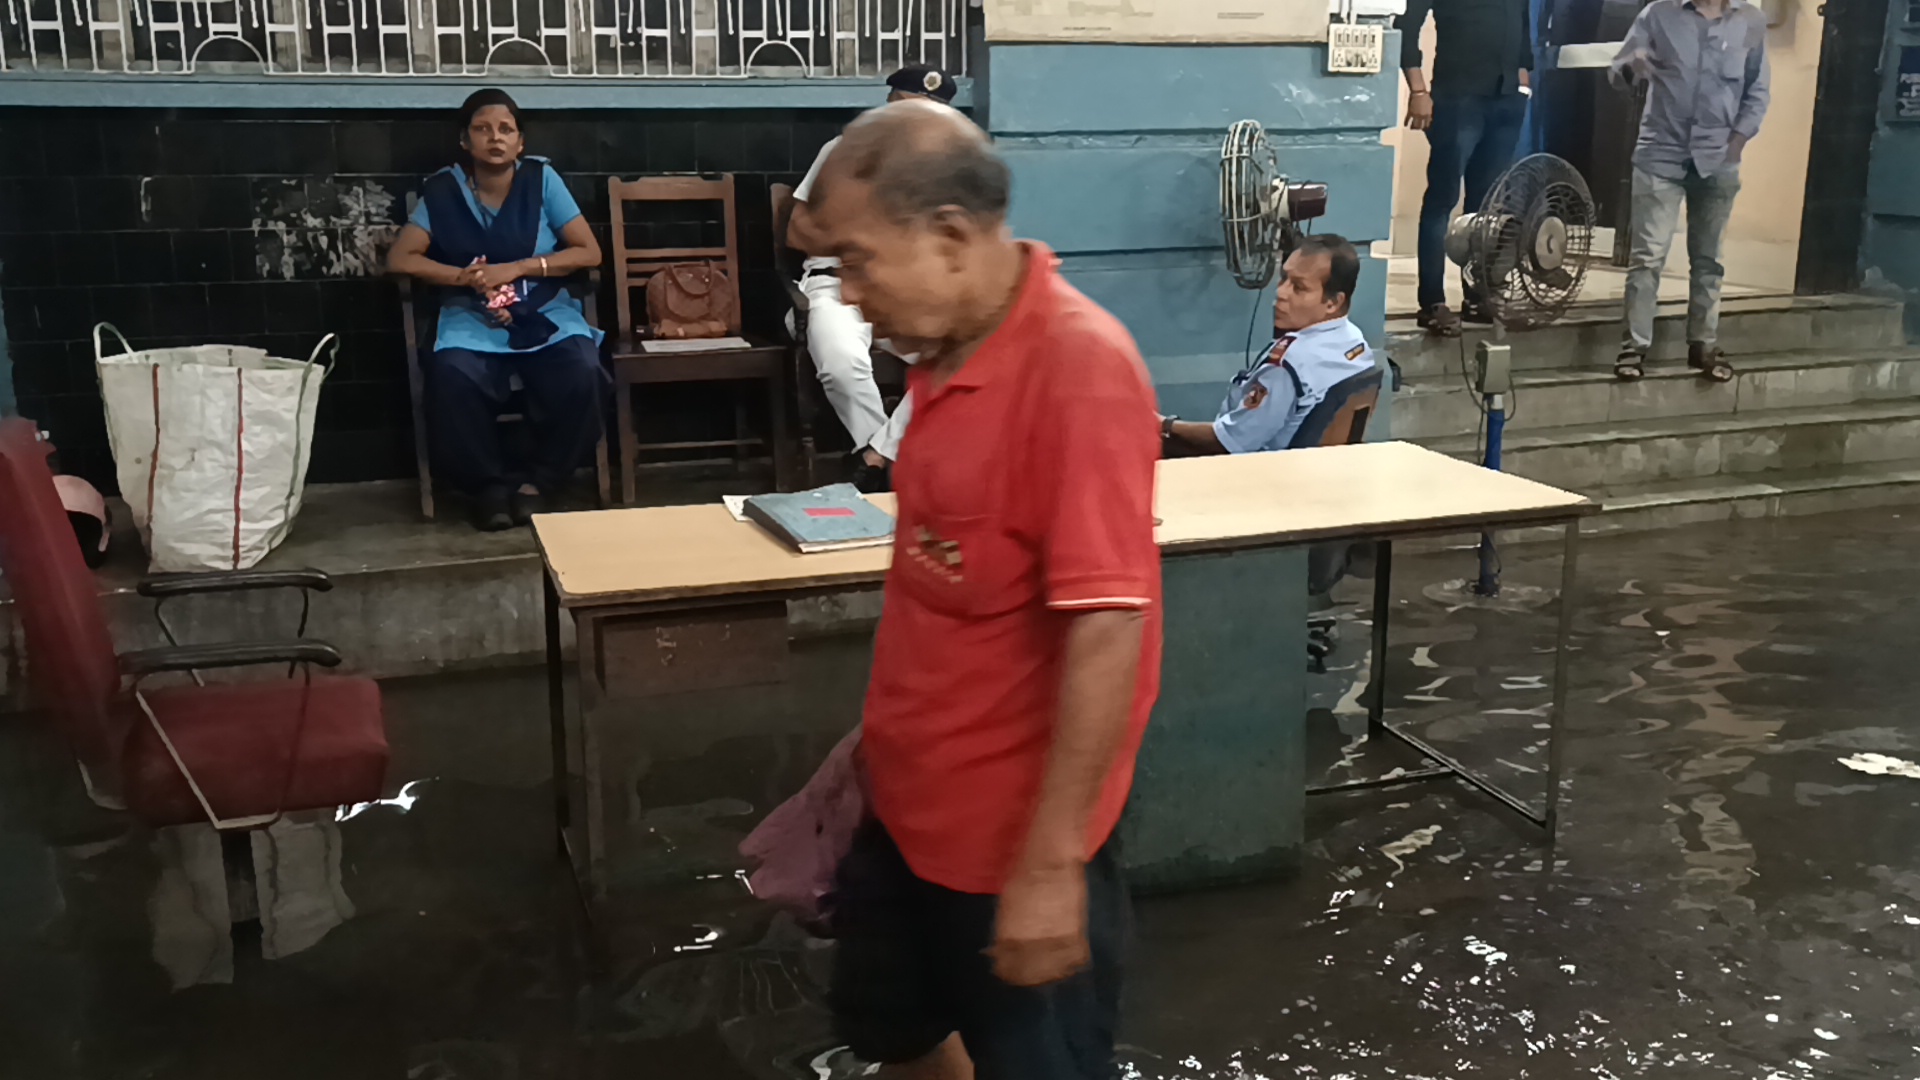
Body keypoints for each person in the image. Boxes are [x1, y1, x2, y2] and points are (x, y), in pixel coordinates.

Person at [805, 99, 1162, 1079]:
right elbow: (944, 586)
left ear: (953, 238)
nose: (847, 294)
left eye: (860, 262)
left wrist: (1050, 871)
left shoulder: (1077, 372)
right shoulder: (943, 351)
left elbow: (1105, 633)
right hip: (909, 808)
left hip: (1009, 849)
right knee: (891, 1027)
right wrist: (873, 744)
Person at [386, 89, 606, 531]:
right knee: (451, 374)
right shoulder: (445, 192)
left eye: (506, 129)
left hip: (543, 310)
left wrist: (523, 267)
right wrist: (463, 278)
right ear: (465, 141)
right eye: (482, 129)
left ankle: (540, 483)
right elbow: (400, 259)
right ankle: (486, 487)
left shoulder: (542, 181)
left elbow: (589, 252)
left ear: (520, 142)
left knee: (583, 369)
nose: (495, 138)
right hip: (472, 315)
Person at [787, 64, 957, 489]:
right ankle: (890, 462)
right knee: (841, 363)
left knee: (967, 352)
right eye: (903, 108)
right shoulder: (843, 153)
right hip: (836, 283)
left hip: (905, 292)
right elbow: (796, 231)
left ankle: (878, 455)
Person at [1610, 0, 1769, 384]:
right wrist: (1634, 65)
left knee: (1709, 259)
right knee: (1647, 257)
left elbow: (1757, 89)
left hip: (1718, 160)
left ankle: (1703, 345)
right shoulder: (1657, 15)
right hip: (1660, 154)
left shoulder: (1749, 21)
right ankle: (1634, 346)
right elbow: (1617, 72)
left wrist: (1737, 142)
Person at [1161, 234, 1375, 456]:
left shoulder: (1288, 366)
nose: (1281, 293)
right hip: (1319, 473)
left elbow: (1230, 443)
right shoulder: (1356, 344)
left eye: (1299, 287)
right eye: (1284, 278)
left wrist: (1164, 425)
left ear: (1333, 302)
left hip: (1257, 477)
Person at [1397, 0, 1533, 336]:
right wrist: (1418, 89)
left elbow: (1523, 27)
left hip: (1506, 100)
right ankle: (1432, 303)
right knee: (1442, 199)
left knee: (1487, 207)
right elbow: (1406, 28)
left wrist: (1523, 82)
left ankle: (1478, 296)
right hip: (1457, 99)